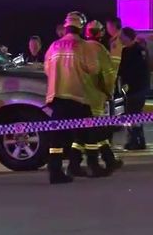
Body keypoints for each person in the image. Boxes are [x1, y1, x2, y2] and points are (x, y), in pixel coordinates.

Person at [44, 11, 101, 184]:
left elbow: (47, 69)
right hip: (77, 97)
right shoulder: (84, 46)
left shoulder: (53, 46)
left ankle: (55, 171)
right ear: (81, 27)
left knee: (57, 138)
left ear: (66, 26)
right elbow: (94, 69)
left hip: (56, 97)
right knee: (86, 132)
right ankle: (83, 165)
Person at [67, 20, 123, 177]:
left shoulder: (80, 47)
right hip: (96, 97)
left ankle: (80, 164)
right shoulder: (99, 49)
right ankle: (95, 164)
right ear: (100, 33)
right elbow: (107, 75)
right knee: (95, 132)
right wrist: (109, 92)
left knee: (84, 133)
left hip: (79, 97)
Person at [119, 27, 150, 150]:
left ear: (128, 37)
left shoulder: (139, 50)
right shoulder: (125, 51)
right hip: (130, 89)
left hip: (138, 88)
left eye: (122, 36)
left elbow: (140, 71)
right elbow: (122, 69)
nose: (120, 38)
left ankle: (135, 140)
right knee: (134, 114)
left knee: (133, 114)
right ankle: (139, 140)